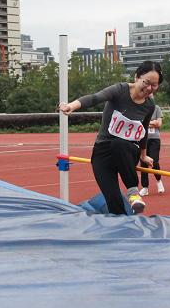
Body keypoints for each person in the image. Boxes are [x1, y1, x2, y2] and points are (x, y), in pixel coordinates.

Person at [58, 61, 163, 215]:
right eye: (146, 83)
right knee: (113, 200)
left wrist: (143, 155)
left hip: (128, 151)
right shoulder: (120, 90)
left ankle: (133, 193)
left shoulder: (150, 105)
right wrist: (72, 106)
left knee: (119, 143)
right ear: (137, 77)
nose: (149, 89)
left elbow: (143, 131)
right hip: (103, 151)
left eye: (154, 85)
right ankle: (123, 227)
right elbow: (95, 98)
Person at [139, 100, 164, 197]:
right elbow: (139, 123)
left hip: (154, 139)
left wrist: (146, 123)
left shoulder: (156, 108)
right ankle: (145, 187)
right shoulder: (139, 108)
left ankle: (159, 181)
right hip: (142, 139)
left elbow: (159, 123)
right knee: (143, 163)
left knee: (155, 161)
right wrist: (152, 122)